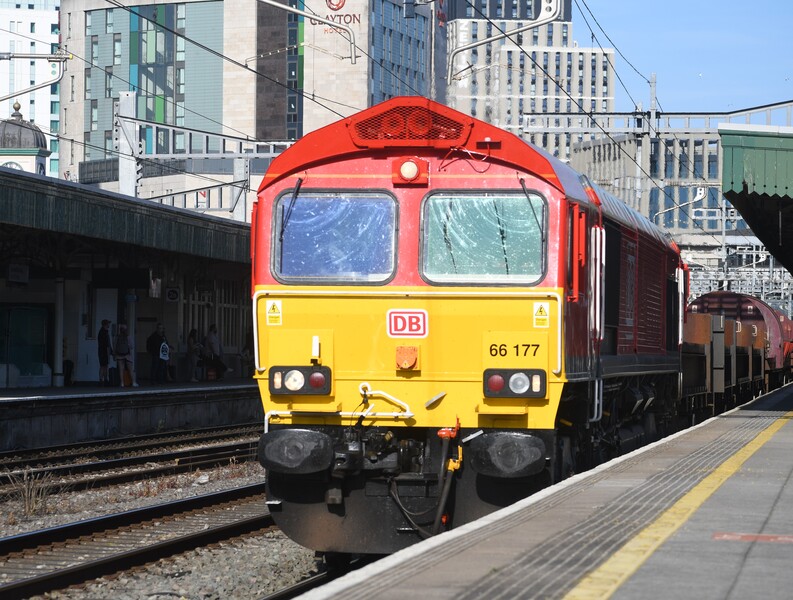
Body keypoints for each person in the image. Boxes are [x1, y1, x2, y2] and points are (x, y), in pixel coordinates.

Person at [98, 319, 113, 385]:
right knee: (104, 366)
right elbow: (107, 343)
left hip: (102, 351)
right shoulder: (104, 332)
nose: (109, 325)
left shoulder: (102, 332)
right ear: (105, 324)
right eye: (108, 323)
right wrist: (111, 351)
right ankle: (103, 380)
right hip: (104, 351)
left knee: (104, 366)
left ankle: (103, 380)